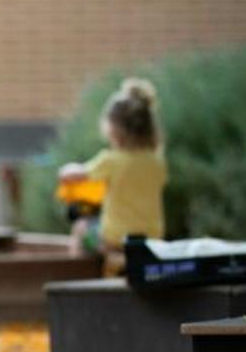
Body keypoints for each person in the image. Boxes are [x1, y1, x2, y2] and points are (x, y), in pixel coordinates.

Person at [60, 78, 167, 258]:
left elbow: (73, 175)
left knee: (81, 227)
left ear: (114, 131)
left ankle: (78, 273)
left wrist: (66, 169)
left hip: (114, 239)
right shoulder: (156, 161)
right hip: (152, 238)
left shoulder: (111, 161)